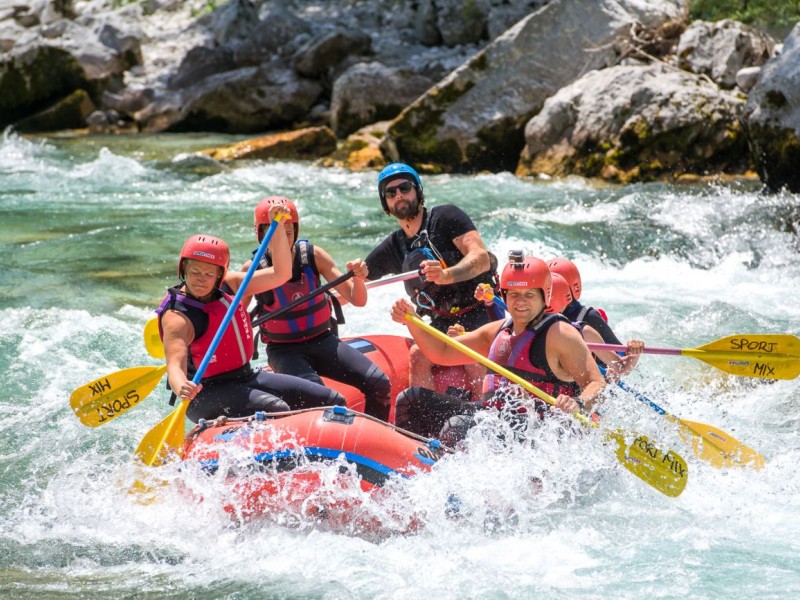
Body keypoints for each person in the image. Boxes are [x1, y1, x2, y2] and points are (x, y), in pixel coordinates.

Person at [390, 255, 606, 445]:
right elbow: (442, 353)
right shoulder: (498, 331)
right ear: (503, 295)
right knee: (411, 400)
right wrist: (413, 320)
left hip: (536, 429)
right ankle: (415, 463)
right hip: (493, 416)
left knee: (456, 426)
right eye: (513, 294)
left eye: (529, 295)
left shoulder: (560, 334)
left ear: (545, 296)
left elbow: (596, 382)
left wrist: (577, 403)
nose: (520, 302)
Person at [157, 213, 345, 424]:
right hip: (205, 393)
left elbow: (280, 274)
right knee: (277, 409)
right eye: (195, 272)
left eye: (209, 275)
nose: (201, 280)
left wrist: (280, 226)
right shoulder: (177, 317)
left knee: (330, 399)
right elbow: (174, 365)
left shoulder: (231, 285)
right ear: (183, 269)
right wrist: (182, 385)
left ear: (220, 275)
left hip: (245, 377)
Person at [243, 196, 393, 421]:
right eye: (274, 233)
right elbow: (234, 322)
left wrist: (359, 277)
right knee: (324, 400)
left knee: (379, 383)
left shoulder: (313, 256)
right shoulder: (252, 271)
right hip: (284, 351)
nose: (282, 240)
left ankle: (378, 435)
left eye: (288, 232)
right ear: (260, 235)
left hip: (323, 340)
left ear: (296, 230)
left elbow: (357, 299)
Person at [366, 162, 503, 396]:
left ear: (418, 191)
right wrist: (353, 273)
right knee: (418, 355)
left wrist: (446, 275)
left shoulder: (446, 217)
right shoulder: (394, 246)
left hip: (482, 310)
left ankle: (488, 418)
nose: (399, 194)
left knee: (466, 348)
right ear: (386, 204)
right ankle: (422, 422)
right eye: (391, 192)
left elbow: (480, 257)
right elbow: (353, 285)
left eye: (405, 187)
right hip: (442, 320)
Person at [545, 271, 643, 383]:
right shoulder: (524, 326)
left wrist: (634, 353)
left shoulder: (585, 329)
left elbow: (621, 368)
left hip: (577, 393)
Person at [548, 257, 623, 345]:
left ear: (570, 292)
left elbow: (622, 355)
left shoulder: (590, 318)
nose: (550, 296)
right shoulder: (537, 318)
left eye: (556, 289)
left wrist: (634, 349)